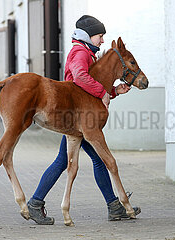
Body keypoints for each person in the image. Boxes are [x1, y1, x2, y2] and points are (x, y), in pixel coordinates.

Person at [27, 15, 141, 225]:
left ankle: (113, 206)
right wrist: (103, 92)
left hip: (79, 113)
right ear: (88, 35)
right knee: (90, 160)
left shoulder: (88, 52)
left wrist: (113, 91)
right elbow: (79, 77)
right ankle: (35, 202)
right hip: (76, 114)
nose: (102, 41)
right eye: (100, 36)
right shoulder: (80, 52)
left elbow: (92, 86)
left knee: (69, 161)